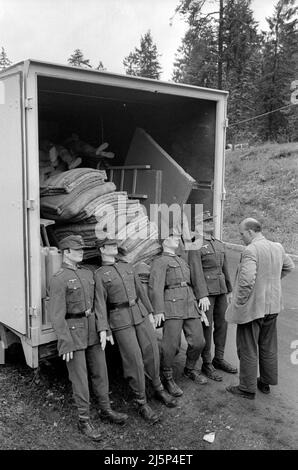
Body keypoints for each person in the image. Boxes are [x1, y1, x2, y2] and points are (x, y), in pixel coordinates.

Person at [49, 235, 128, 441]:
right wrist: (64, 343)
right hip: (73, 332)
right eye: (77, 250)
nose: (81, 252)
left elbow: (99, 304)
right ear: (66, 253)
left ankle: (105, 409)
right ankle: (84, 419)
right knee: (80, 379)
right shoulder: (59, 279)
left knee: (101, 372)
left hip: (92, 329)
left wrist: (104, 328)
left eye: (82, 249)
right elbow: (57, 316)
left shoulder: (88, 274)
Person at [94, 237, 177, 425]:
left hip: (139, 313)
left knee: (152, 351)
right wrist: (104, 328)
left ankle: (158, 388)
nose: (114, 248)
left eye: (115, 245)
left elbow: (140, 291)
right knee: (134, 360)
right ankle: (141, 402)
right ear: (101, 250)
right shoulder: (99, 274)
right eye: (110, 246)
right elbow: (100, 303)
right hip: (120, 319)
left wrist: (150, 311)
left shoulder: (126, 266)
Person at [225, 218, 295, 399]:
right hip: (273, 307)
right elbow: (289, 267)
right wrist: (271, 282)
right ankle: (265, 382)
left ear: (250, 232)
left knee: (247, 347)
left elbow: (247, 281)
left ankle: (247, 388)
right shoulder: (277, 247)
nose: (241, 238)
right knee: (268, 345)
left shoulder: (251, 250)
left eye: (241, 234)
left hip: (254, 308)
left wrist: (239, 303)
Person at [148, 230, 207, 398]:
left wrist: (198, 306)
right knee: (170, 346)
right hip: (172, 305)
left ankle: (189, 369)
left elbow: (190, 283)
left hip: (189, 304)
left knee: (198, 341)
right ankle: (167, 376)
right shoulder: (160, 261)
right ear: (164, 241)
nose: (177, 240)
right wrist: (158, 309)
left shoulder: (181, 260)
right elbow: (155, 286)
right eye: (173, 237)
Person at [188, 211, 237, 381]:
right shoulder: (195, 245)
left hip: (221, 290)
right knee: (207, 328)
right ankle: (207, 363)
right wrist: (201, 295)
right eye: (206, 221)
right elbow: (196, 272)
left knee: (222, 325)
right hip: (207, 293)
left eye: (211, 220)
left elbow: (225, 269)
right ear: (198, 225)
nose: (210, 223)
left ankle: (219, 358)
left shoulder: (219, 243)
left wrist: (229, 290)